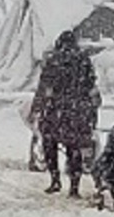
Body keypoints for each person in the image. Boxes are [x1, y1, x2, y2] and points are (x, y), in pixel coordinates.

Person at [30, 30, 97, 198]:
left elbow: (44, 87)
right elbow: (90, 85)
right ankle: (74, 186)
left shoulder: (53, 61)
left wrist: (37, 107)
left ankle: (55, 179)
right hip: (77, 111)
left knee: (50, 143)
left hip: (55, 110)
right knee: (74, 148)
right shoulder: (83, 60)